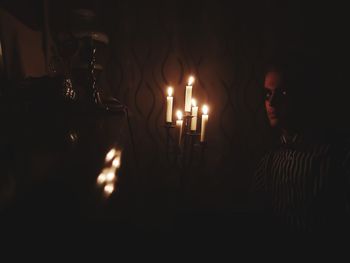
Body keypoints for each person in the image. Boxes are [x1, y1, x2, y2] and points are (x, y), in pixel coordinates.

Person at [251, 52, 350, 236]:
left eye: (283, 92)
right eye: (268, 93)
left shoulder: (336, 158)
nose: (272, 102)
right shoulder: (268, 164)